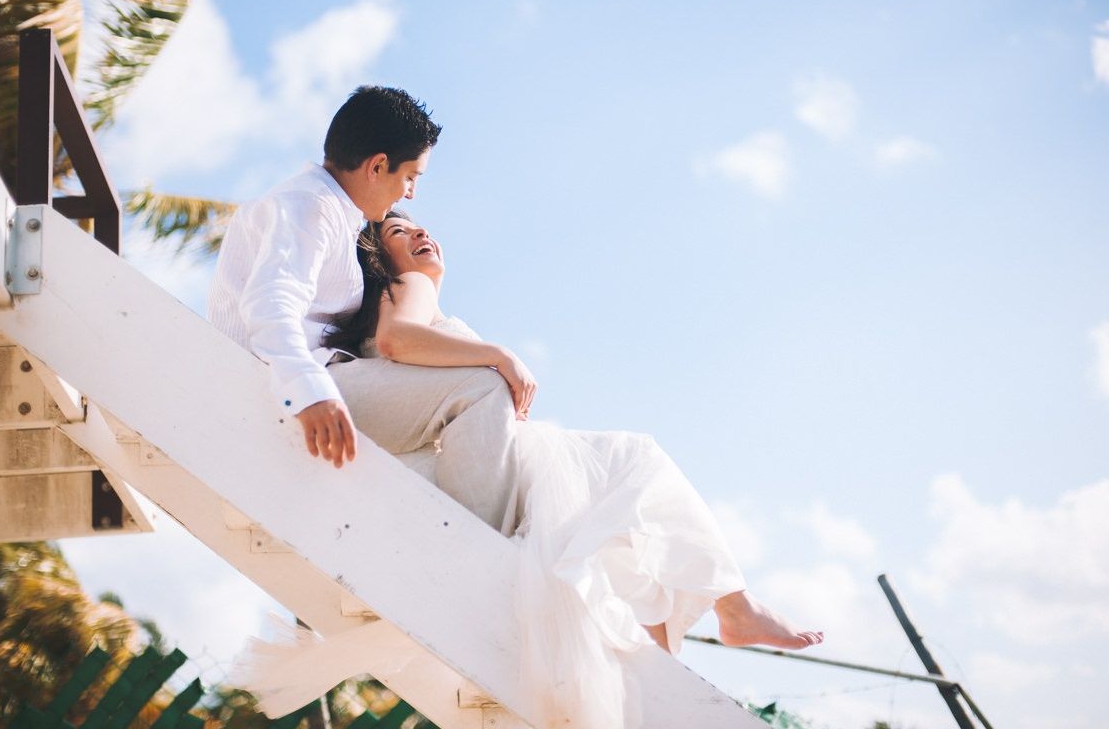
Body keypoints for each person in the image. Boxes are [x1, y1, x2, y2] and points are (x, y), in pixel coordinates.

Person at [316, 212, 825, 728]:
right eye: (400, 234)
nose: (421, 234)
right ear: (381, 261)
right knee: (624, 476)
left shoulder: (419, 299)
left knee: (614, 496)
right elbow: (396, 340)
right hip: (455, 461)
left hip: (458, 454)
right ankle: (719, 616)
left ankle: (706, 625)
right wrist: (499, 355)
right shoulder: (408, 286)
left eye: (421, 227)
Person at [206, 86, 440, 468]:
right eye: (411, 177)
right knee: (479, 390)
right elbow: (271, 303)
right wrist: (309, 393)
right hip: (284, 390)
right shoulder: (311, 205)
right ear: (378, 166)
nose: (410, 194)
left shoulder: (332, 214)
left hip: (299, 382)